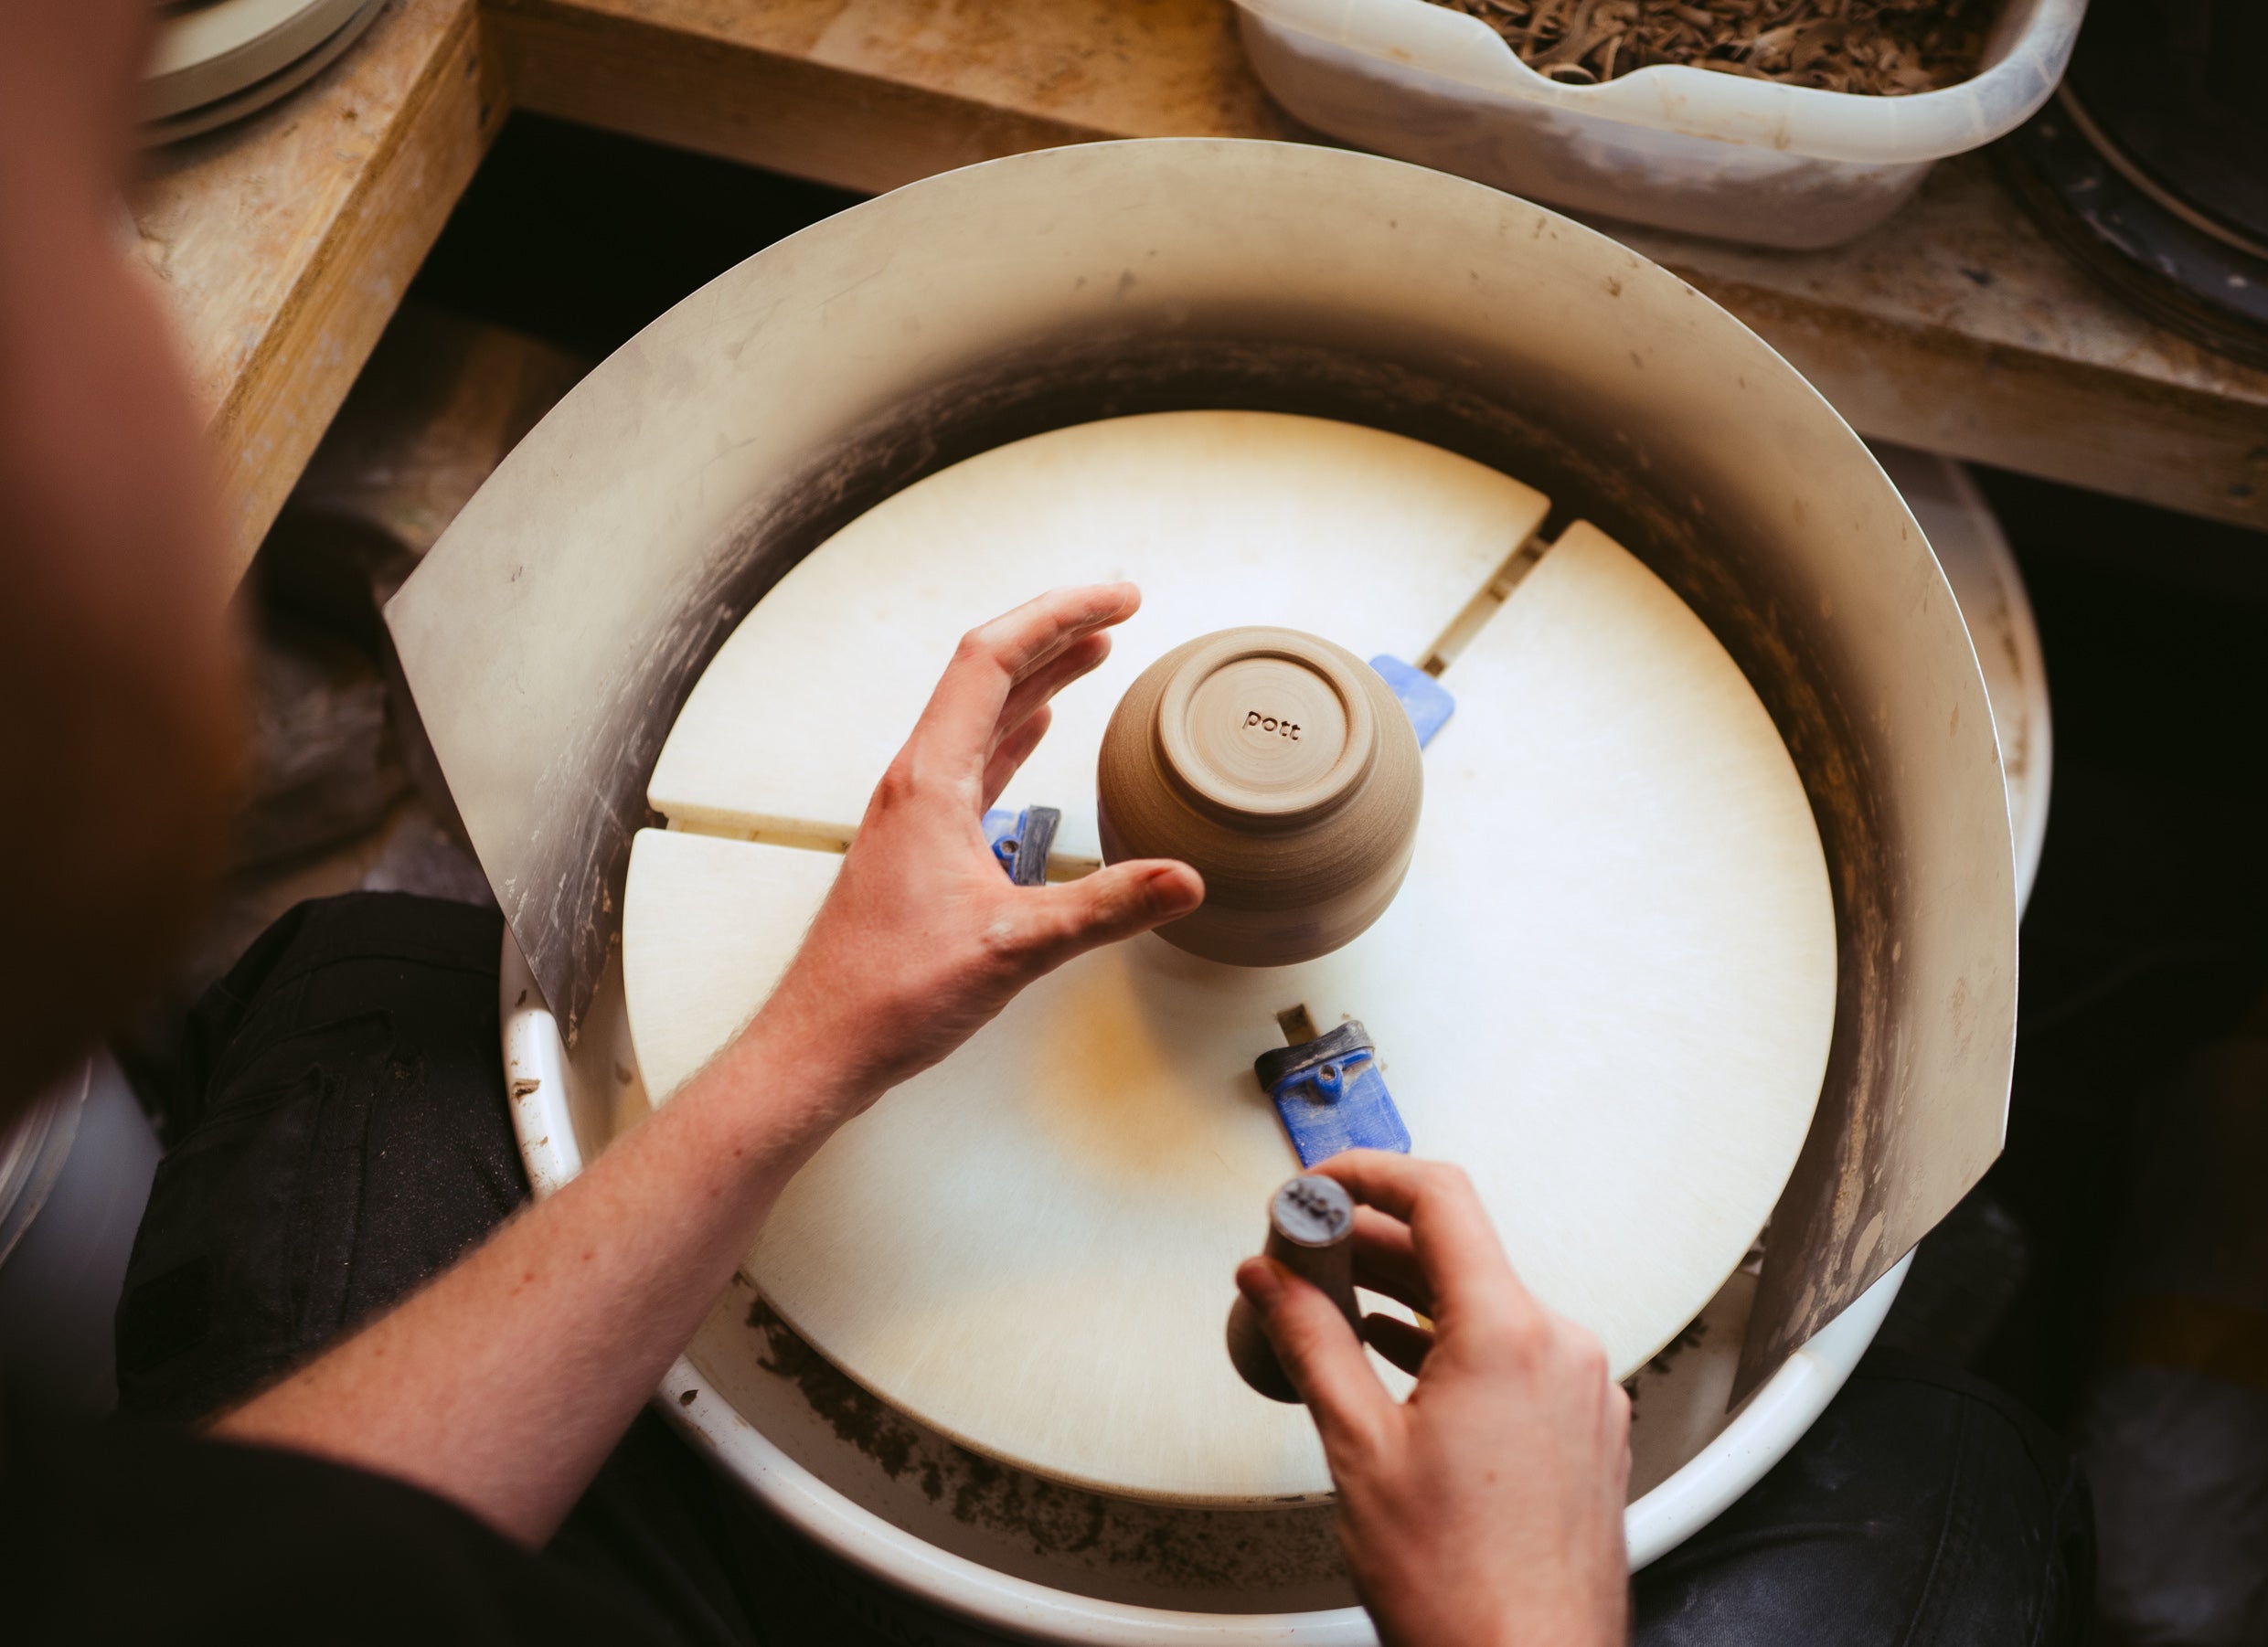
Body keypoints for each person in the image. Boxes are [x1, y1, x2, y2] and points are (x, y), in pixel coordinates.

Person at [0, 2, 2092, 1641]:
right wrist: (1516, 1611)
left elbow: (308, 1563)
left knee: (378, 997)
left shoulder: (137, 1567)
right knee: (1954, 1479)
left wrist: (793, 1057)